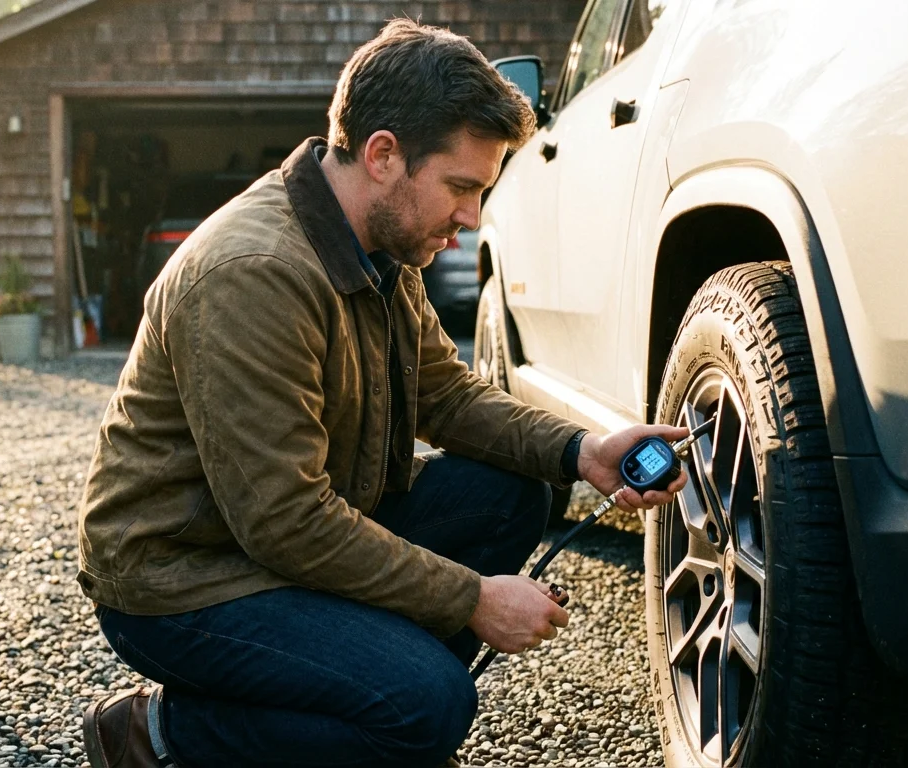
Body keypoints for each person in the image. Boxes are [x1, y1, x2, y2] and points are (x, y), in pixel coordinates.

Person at [75, 19, 688, 768]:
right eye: (461, 187)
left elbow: (447, 396)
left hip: (278, 536)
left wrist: (581, 450)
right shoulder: (255, 273)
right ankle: (160, 734)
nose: (472, 217)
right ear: (383, 155)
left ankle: (374, 715)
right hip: (184, 576)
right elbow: (287, 522)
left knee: (515, 491)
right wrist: (471, 598)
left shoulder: (379, 245)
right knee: (430, 703)